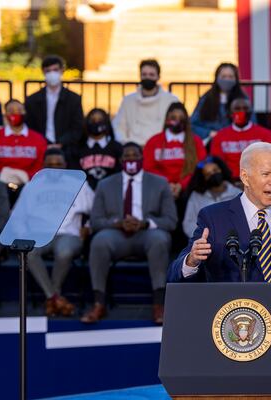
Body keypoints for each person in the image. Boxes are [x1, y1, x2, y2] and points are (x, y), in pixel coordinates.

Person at [168, 142, 271, 283]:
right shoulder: (213, 218)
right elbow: (175, 274)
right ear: (245, 177)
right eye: (266, 174)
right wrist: (192, 261)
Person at [82, 142, 177, 324]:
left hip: (147, 233)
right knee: (99, 242)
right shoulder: (105, 184)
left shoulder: (160, 183)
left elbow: (171, 221)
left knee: (159, 240)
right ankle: (98, 303)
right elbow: (96, 220)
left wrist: (144, 223)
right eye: (127, 156)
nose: (131, 159)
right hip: (116, 234)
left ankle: (159, 305)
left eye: (136, 156)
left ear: (142, 159)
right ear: (120, 160)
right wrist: (117, 223)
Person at [27, 148, 94, 317]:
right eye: (50, 165)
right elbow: (19, 213)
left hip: (69, 234)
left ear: (65, 165)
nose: (54, 168)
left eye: (58, 164)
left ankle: (52, 298)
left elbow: (97, 210)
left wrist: (89, 226)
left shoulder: (79, 184)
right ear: (43, 166)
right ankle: (54, 298)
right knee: (28, 252)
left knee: (64, 252)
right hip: (41, 234)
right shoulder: (34, 184)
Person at [143, 102, 207, 198]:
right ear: (166, 120)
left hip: (189, 189)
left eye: (181, 118)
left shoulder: (196, 141)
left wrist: (181, 185)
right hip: (160, 188)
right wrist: (167, 184)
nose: (177, 120)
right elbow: (148, 168)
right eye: (173, 117)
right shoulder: (153, 141)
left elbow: (200, 166)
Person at [112, 59, 179, 145]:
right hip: (133, 150)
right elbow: (118, 127)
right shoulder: (128, 101)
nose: (148, 78)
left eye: (151, 75)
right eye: (144, 74)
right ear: (140, 76)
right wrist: (126, 145)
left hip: (162, 148)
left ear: (158, 77)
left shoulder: (171, 100)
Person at [24, 55, 83, 150]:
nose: (52, 73)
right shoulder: (32, 100)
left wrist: (61, 143)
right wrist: (44, 143)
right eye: (48, 71)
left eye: (55, 70)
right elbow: (29, 126)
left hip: (67, 148)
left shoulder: (73, 99)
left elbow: (77, 127)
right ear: (43, 72)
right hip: (39, 147)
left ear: (62, 70)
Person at [210, 97, 271, 179]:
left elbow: (268, 161)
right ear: (230, 113)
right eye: (237, 109)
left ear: (250, 112)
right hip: (230, 181)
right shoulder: (219, 136)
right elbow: (218, 163)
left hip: (256, 180)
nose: (242, 111)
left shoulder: (265, 134)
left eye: (245, 108)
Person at [190, 63, 254, 142]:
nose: (227, 79)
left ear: (236, 79)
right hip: (212, 143)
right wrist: (209, 133)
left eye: (230, 76)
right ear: (217, 78)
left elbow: (252, 124)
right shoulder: (206, 99)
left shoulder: (243, 99)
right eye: (223, 76)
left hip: (236, 142)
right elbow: (192, 124)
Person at [182, 156, 241, 238]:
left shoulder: (237, 193)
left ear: (221, 169)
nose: (213, 174)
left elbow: (243, 220)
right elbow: (188, 223)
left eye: (215, 170)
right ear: (203, 178)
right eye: (208, 174)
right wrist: (202, 237)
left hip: (234, 241)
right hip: (205, 242)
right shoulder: (196, 196)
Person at [69, 108, 123, 190]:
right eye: (93, 120)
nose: (96, 123)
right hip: (83, 193)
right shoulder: (77, 148)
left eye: (100, 120)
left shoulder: (117, 148)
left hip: (110, 191)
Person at [0, 99, 47, 187]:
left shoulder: (38, 139)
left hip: (30, 184)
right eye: (11, 111)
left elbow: (41, 165)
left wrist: (28, 176)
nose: (15, 113)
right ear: (5, 115)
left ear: (25, 113)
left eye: (19, 110)